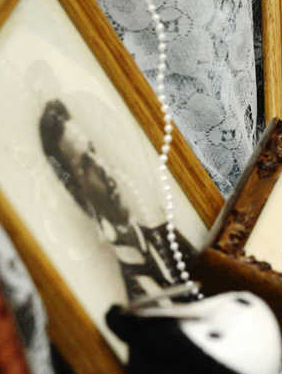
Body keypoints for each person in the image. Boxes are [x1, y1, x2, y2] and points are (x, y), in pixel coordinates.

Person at [38, 99, 197, 301]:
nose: (102, 168)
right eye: (86, 164)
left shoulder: (168, 236)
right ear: (76, 192)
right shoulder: (125, 293)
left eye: (93, 151)